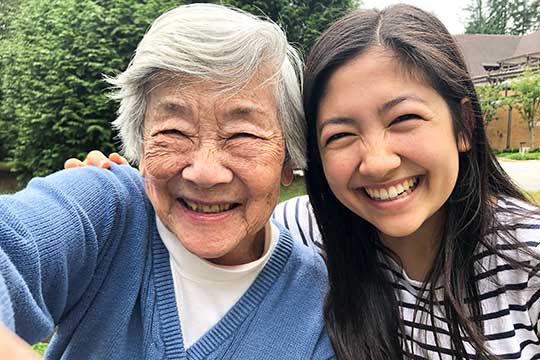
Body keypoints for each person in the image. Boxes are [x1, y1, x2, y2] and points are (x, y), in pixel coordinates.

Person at [0, 4, 334, 359]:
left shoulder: (319, 308)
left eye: (241, 136)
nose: (204, 173)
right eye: (174, 131)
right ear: (141, 148)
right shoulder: (106, 212)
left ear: (288, 161)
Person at [275, 4, 540, 359]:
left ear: (464, 125)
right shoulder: (304, 231)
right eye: (340, 135)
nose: (377, 163)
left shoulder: (529, 260)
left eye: (404, 118)